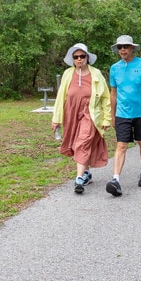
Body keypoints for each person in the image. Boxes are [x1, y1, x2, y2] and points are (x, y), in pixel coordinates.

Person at [52, 43, 111, 194]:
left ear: (87, 57)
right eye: (76, 57)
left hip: (90, 113)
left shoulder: (96, 74)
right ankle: (86, 173)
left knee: (82, 141)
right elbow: (60, 98)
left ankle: (78, 179)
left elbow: (105, 98)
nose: (79, 59)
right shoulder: (67, 74)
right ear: (72, 59)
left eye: (82, 56)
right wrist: (56, 119)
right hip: (71, 113)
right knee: (75, 142)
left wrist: (107, 119)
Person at [105, 35, 141, 197]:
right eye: (120, 47)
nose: (123, 50)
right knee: (121, 145)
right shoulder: (115, 68)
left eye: (126, 47)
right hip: (122, 113)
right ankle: (115, 180)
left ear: (132, 48)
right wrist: (112, 114)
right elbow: (113, 93)